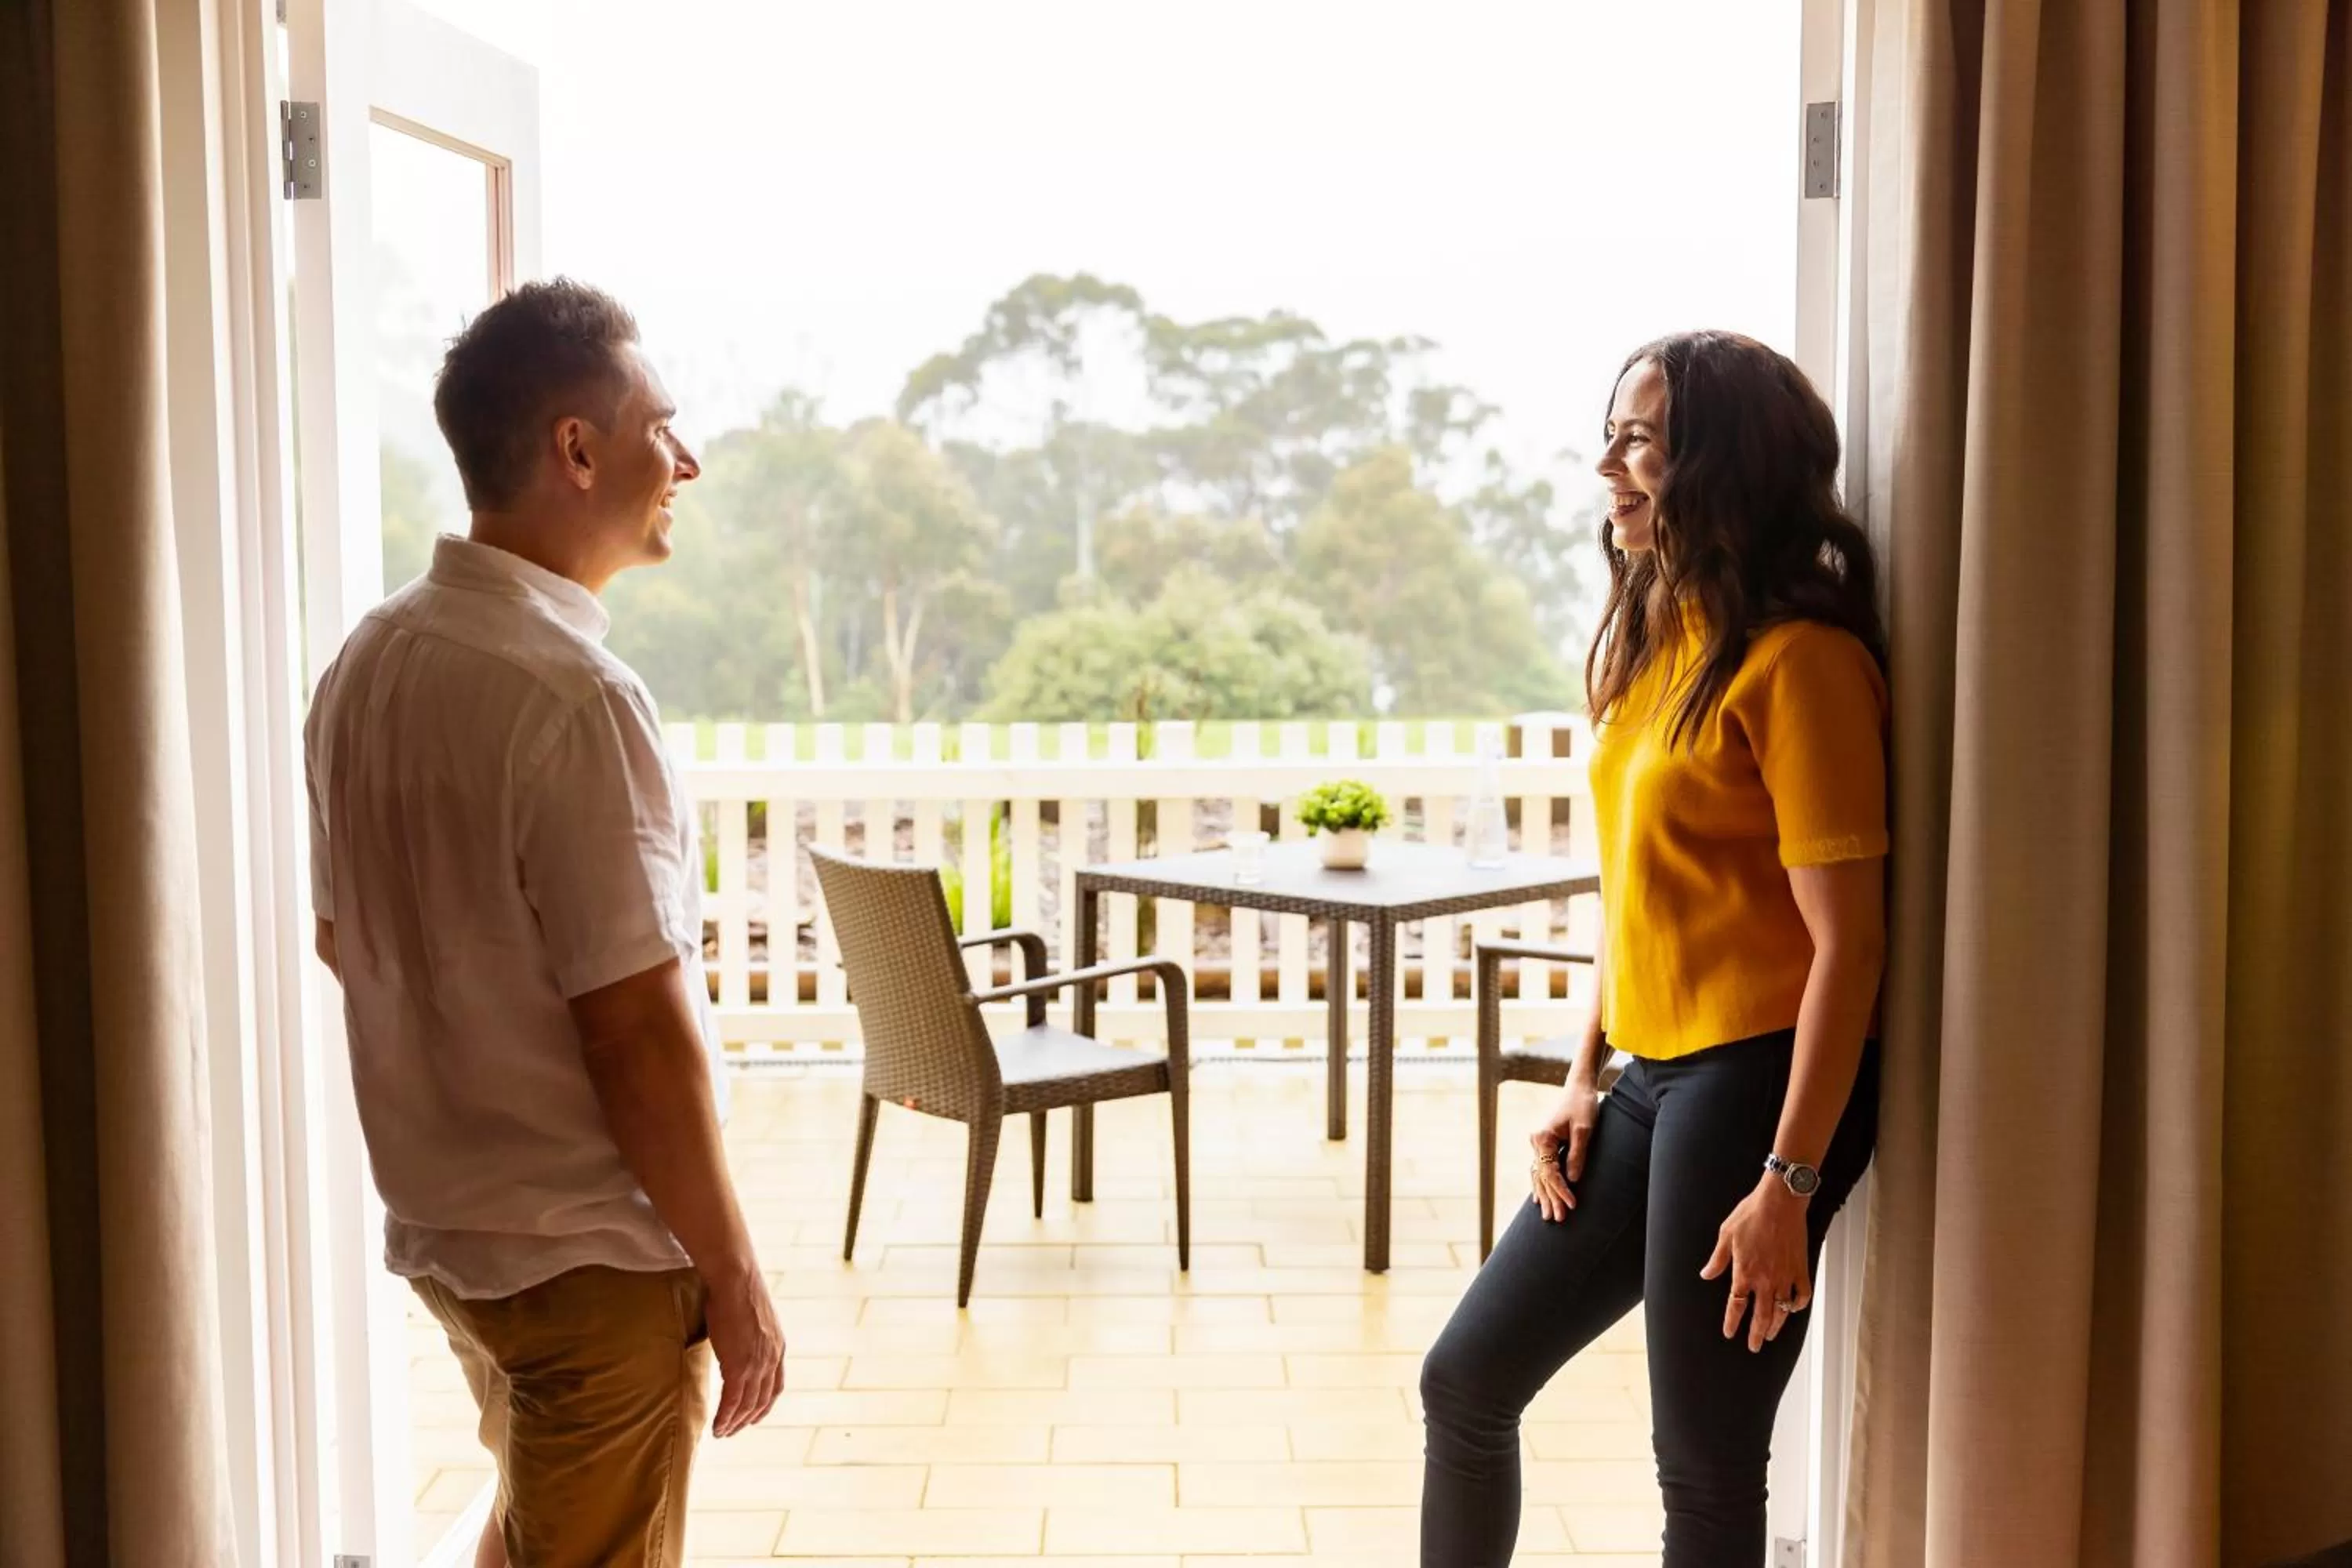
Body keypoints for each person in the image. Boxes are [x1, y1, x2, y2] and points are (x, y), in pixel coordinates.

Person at [305, 278, 785, 1568]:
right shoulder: (577, 698)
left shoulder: (367, 662)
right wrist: (731, 1277)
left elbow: (343, 940)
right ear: (578, 448)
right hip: (587, 1269)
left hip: (455, 1244)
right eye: (660, 426)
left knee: (532, 1535)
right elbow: (635, 1028)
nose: (685, 460)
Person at [1419, 331, 1889, 1567]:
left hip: (1758, 1084)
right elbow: (1637, 891)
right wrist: (1586, 1073)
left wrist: (1788, 1184)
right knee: (1464, 1384)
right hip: (1651, 1073)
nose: (1609, 465)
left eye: (1644, 441)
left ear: (1725, 466)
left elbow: (1851, 947)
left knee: (1707, 1472)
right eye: (1613, 434)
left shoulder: (1806, 667)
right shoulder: (1650, 645)